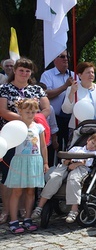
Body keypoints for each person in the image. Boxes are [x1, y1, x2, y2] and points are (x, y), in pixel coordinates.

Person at [0, 57, 51, 225]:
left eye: (27, 71)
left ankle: (24, 211)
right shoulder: (4, 88)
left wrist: (34, 122)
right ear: (15, 70)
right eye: (21, 70)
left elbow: (46, 108)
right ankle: (7, 210)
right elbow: (2, 110)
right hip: (10, 136)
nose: (24, 73)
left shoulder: (37, 89)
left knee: (27, 178)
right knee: (9, 176)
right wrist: (24, 121)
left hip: (32, 138)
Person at [32, 132, 96, 224]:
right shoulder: (76, 148)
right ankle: (39, 206)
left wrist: (76, 164)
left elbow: (87, 163)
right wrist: (67, 161)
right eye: (92, 143)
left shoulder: (93, 153)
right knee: (55, 177)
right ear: (88, 140)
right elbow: (66, 157)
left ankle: (74, 210)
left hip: (80, 168)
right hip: (66, 165)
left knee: (73, 179)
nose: (93, 146)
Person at [5, 98, 48, 233]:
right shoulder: (17, 126)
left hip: (35, 161)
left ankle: (28, 219)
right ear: (20, 111)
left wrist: (45, 162)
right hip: (20, 161)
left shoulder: (39, 127)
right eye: (27, 112)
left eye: (33, 112)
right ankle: (13, 220)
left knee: (30, 191)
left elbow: (43, 146)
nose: (30, 115)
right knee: (17, 191)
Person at [40, 50, 74, 159]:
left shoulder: (73, 75)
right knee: (54, 148)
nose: (66, 59)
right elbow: (45, 94)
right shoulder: (47, 75)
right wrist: (65, 86)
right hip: (55, 118)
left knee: (70, 147)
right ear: (55, 59)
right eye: (62, 56)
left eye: (68, 56)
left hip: (70, 118)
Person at [61, 62, 96, 128]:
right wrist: (72, 93)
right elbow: (66, 110)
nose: (91, 75)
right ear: (80, 75)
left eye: (92, 72)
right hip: (79, 127)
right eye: (88, 72)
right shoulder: (72, 88)